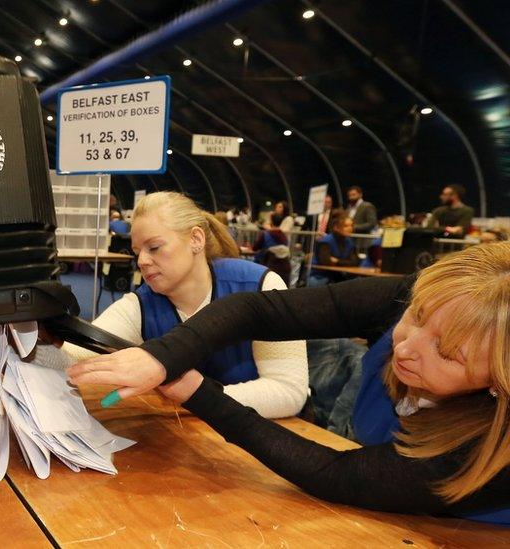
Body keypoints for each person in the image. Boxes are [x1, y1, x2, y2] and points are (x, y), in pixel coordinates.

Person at [68, 242, 510, 524]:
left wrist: (203, 396)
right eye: (414, 317)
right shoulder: (436, 300)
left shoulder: (490, 456)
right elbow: (257, 310)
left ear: (499, 382)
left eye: (448, 355)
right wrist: (161, 356)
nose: (407, 348)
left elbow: (339, 476)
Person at [62, 192, 308, 419]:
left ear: (196, 239)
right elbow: (76, 358)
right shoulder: (140, 304)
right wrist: (37, 338)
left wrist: (195, 397)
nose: (142, 261)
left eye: (154, 247)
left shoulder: (261, 285)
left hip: (261, 446)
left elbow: (289, 392)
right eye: (137, 251)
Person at [308, 212, 359, 285]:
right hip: (320, 275)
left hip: (339, 275)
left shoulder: (350, 242)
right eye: (346, 226)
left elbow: (355, 262)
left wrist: (337, 261)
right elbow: (326, 262)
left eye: (351, 225)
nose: (350, 228)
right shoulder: (325, 241)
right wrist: (345, 262)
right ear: (336, 227)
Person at [252, 213, 291, 285]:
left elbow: (255, 248)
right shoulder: (284, 236)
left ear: (271, 222)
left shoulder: (265, 234)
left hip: (268, 266)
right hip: (285, 268)